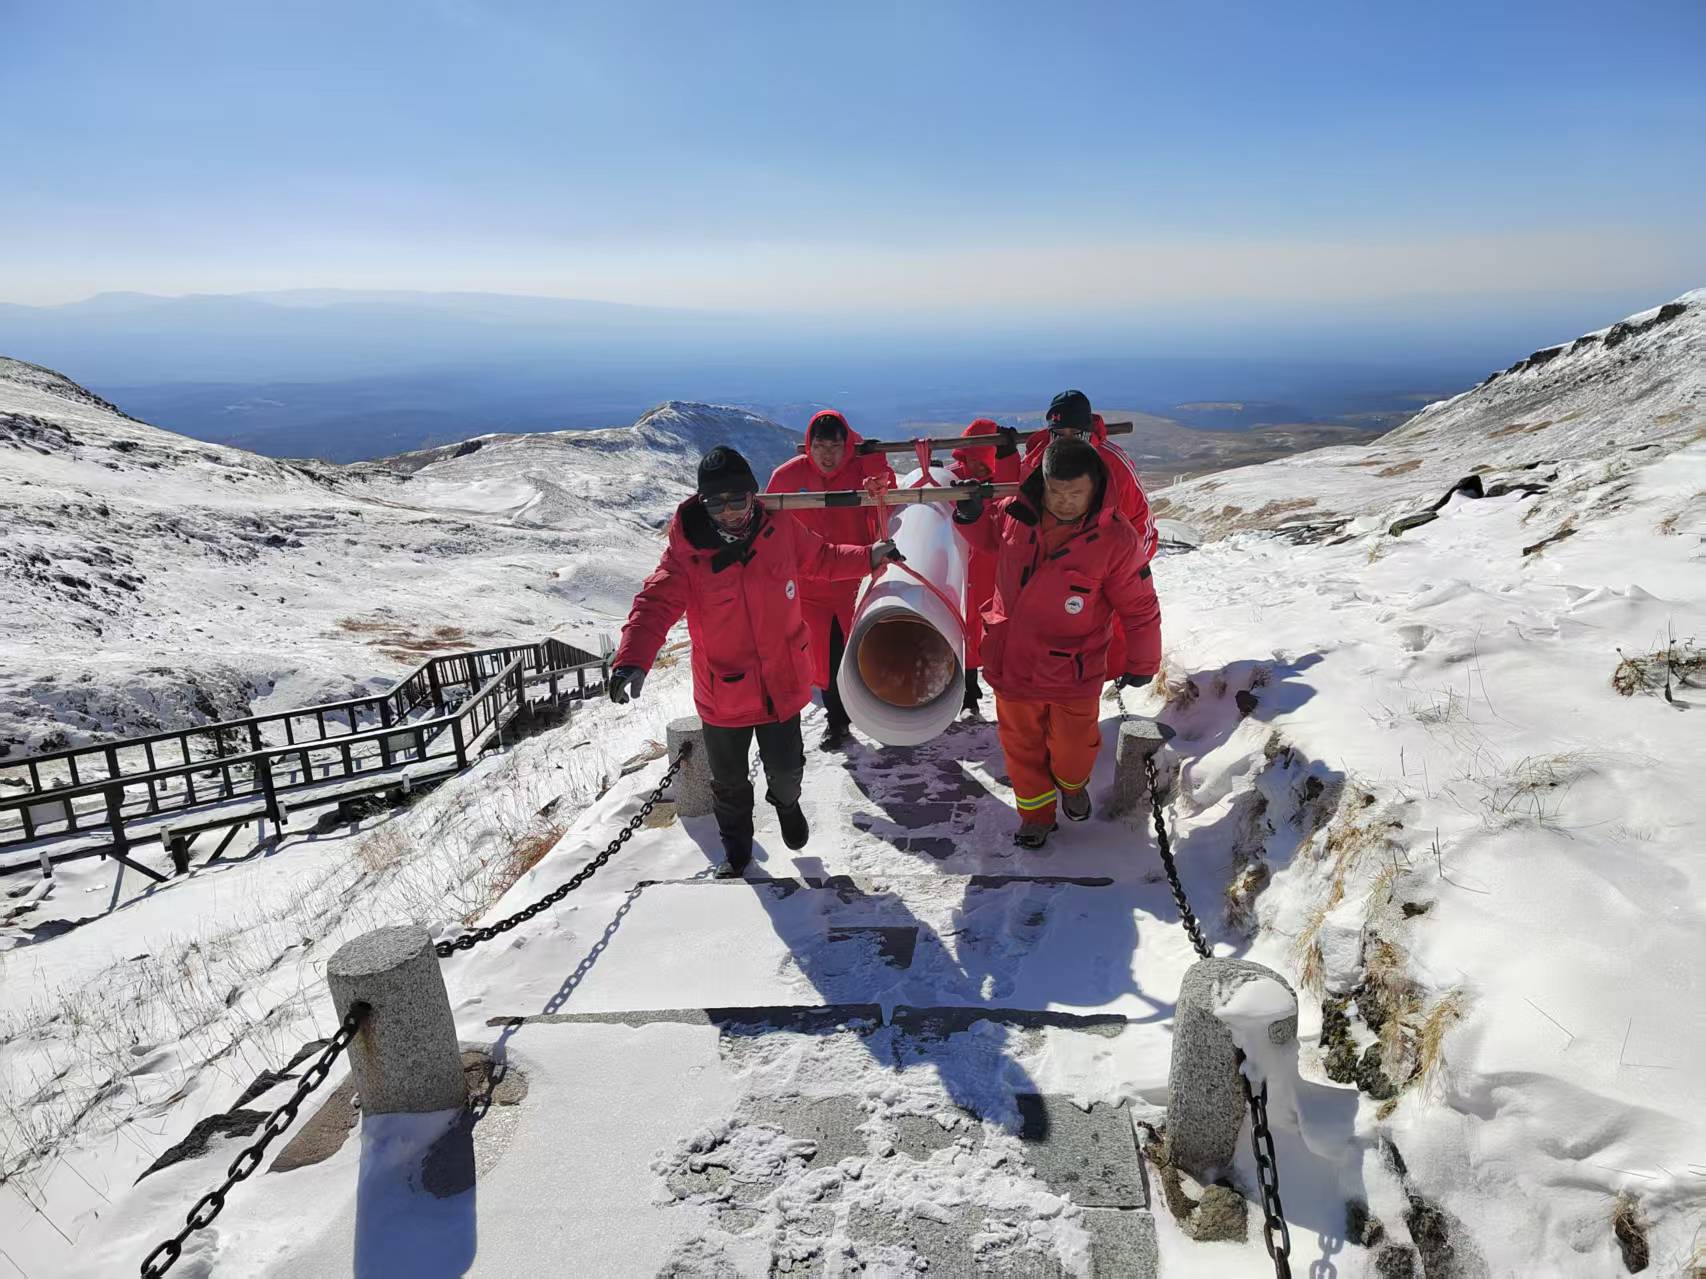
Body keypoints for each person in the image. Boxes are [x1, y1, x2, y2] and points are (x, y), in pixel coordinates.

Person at [609, 445, 901, 876]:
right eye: (716, 503)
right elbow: (654, 604)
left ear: (753, 495)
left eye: (737, 499)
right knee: (729, 784)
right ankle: (736, 852)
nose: (728, 512)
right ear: (702, 503)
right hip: (723, 694)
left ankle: (787, 803)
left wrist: (869, 556)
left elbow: (821, 558)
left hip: (782, 682)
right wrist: (632, 659)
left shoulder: (779, 527)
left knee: (787, 770)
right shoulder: (687, 553)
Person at [952, 435, 1161, 848]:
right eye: (1056, 492)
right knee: (1021, 748)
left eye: (1075, 494)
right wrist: (970, 515)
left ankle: (1072, 783)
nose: (1065, 502)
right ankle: (1035, 817)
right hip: (1012, 661)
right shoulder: (1015, 513)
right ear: (1042, 483)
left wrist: (1143, 662)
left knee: (1072, 747)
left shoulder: (1117, 540)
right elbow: (989, 536)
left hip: (1073, 669)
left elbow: (1140, 607)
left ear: (1095, 486)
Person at [765, 410, 896, 749]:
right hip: (809, 587)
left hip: (857, 581)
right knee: (824, 657)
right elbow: (768, 529)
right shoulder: (787, 477)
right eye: (820, 446)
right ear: (809, 445)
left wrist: (876, 467)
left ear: (847, 445)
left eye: (835, 447)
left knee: (868, 652)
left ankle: (885, 716)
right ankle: (837, 721)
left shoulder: (861, 473)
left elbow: (888, 503)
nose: (827, 455)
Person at [1022, 389, 1157, 682]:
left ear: (1089, 430)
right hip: (1048, 575)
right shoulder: (1038, 458)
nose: (1068, 440)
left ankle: (1108, 684)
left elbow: (1143, 525)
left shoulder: (1112, 463)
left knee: (1101, 646)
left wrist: (1123, 570)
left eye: (1077, 433)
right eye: (1059, 433)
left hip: (1100, 575)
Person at [947, 419, 1022, 717]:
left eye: (985, 460)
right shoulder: (951, 480)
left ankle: (1010, 702)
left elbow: (1016, 499)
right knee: (965, 631)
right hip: (962, 569)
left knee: (999, 634)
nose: (979, 468)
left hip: (996, 570)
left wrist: (1009, 458)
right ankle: (968, 696)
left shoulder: (1009, 478)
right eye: (973, 460)